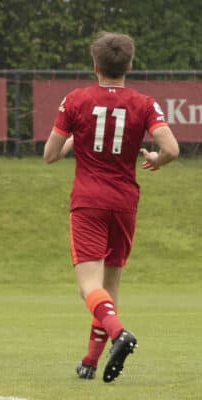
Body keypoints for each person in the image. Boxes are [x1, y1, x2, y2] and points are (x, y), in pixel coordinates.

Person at [43, 31, 179, 382]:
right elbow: (172, 149)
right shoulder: (145, 103)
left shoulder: (75, 99)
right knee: (110, 284)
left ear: (94, 65)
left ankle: (120, 333)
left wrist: (75, 137)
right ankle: (89, 361)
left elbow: (50, 155)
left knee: (89, 286)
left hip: (89, 201)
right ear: (130, 65)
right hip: (124, 202)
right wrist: (156, 159)